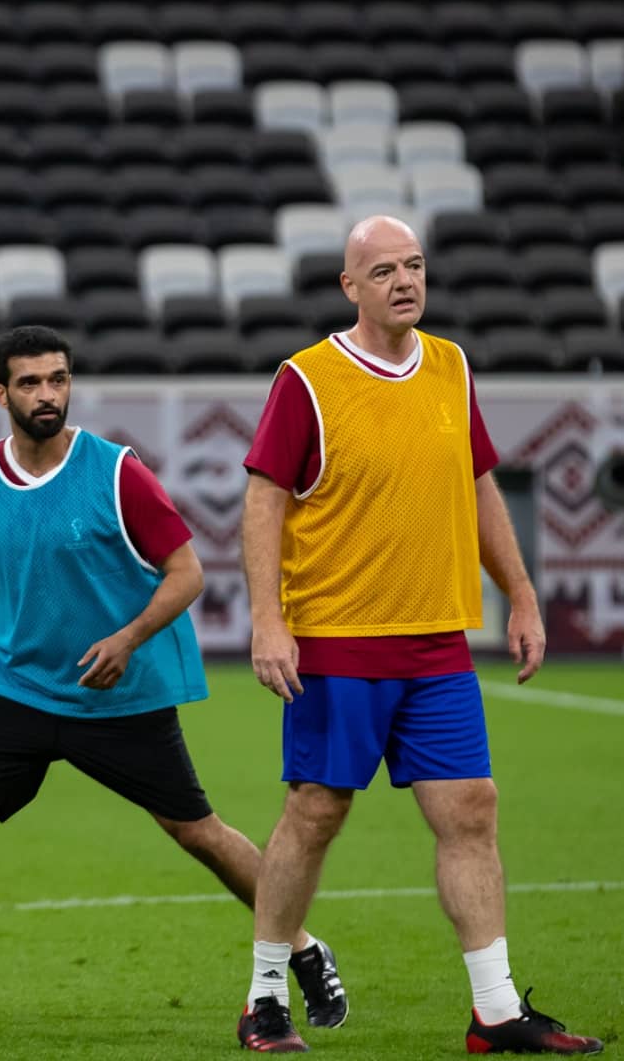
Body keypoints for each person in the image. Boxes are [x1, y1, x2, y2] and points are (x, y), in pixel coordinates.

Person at [0, 325, 348, 1037]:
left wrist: (127, 639)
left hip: (118, 694)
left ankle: (304, 948)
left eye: (59, 379)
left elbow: (187, 573)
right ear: (0, 394)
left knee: (197, 834)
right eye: (31, 382)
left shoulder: (115, 472)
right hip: (16, 687)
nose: (48, 394)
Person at [235, 216, 603, 1055]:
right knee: (315, 812)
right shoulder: (306, 379)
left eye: (414, 265)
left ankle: (495, 1012)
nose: (404, 281)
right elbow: (263, 500)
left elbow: (477, 484)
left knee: (471, 810)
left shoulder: (450, 365)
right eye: (383, 270)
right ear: (349, 287)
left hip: (437, 642)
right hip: (336, 639)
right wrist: (267, 620)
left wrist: (520, 595)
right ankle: (263, 998)